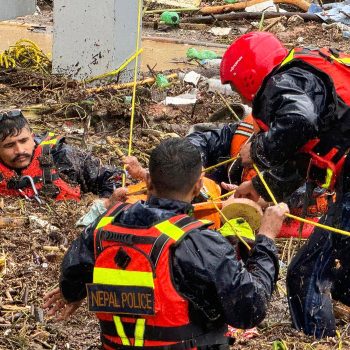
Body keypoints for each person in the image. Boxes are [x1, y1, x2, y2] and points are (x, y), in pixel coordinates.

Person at [43, 137, 289, 349]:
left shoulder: (104, 225)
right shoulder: (200, 242)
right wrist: (266, 239)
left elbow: (74, 269)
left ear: (148, 181)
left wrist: (71, 293)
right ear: (198, 186)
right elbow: (250, 310)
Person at [220, 31, 350, 337]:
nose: (241, 97)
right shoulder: (304, 74)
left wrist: (258, 148)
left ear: (249, 76)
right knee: (343, 278)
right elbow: (309, 150)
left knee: (304, 275)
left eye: (237, 87)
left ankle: (318, 342)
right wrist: (263, 188)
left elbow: (300, 122)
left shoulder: (281, 84)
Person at [0, 109, 122, 202]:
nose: (20, 150)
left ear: (32, 138)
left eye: (23, 141)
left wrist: (105, 203)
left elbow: (114, 176)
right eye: (9, 146)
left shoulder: (62, 155)